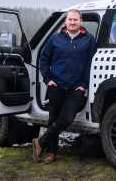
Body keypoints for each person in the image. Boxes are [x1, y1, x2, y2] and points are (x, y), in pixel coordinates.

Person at [32, 9, 97, 164]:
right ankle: (51, 152)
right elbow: (43, 59)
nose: (72, 22)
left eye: (75, 20)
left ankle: (40, 142)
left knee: (67, 118)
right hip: (56, 85)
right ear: (65, 21)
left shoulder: (88, 40)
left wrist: (83, 85)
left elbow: (90, 65)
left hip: (76, 88)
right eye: (70, 19)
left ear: (81, 21)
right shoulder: (55, 38)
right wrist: (48, 79)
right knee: (53, 118)